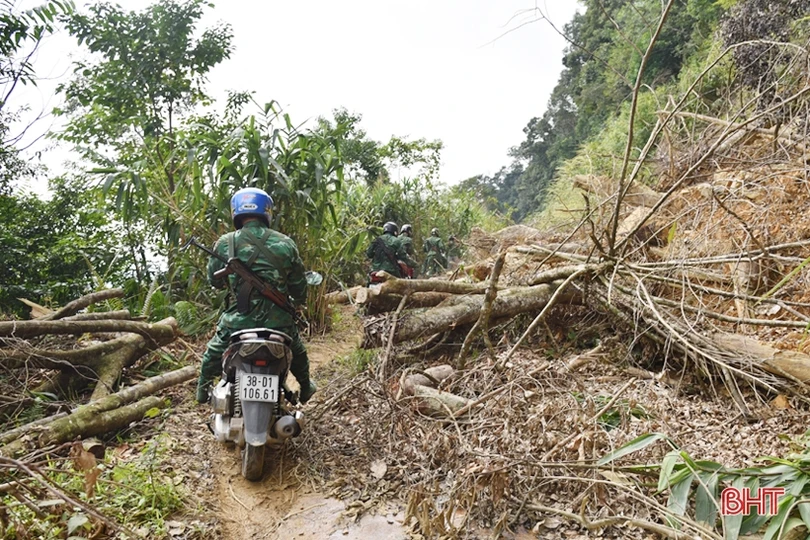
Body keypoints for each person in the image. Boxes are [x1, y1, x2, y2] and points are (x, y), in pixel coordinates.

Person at [196, 187, 317, 405]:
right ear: (266, 211)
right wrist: (297, 304)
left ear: (236, 212)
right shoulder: (286, 244)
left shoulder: (225, 243)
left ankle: (202, 390)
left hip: (237, 322)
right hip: (278, 322)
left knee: (214, 350)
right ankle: (306, 387)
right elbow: (299, 286)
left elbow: (214, 280)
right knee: (297, 350)